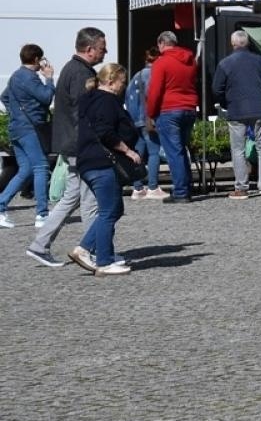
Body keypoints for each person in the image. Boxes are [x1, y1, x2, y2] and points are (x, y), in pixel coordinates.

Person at [28, 27, 107, 268]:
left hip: (71, 142)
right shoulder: (81, 73)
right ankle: (90, 250)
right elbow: (83, 113)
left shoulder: (71, 68)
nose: (106, 52)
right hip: (80, 144)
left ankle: (40, 245)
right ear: (90, 49)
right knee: (90, 199)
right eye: (103, 48)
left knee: (72, 197)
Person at [70, 64, 142, 276]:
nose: (123, 86)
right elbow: (105, 132)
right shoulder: (107, 101)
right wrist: (128, 150)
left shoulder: (89, 99)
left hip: (88, 161)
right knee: (109, 211)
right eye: (122, 82)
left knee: (112, 209)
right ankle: (99, 259)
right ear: (111, 81)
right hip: (102, 162)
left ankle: (95, 252)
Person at [213, 30, 261, 199]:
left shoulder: (225, 63)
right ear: (248, 43)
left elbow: (216, 88)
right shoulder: (260, 61)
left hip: (236, 110)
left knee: (238, 149)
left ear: (232, 44)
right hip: (260, 108)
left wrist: (226, 102)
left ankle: (241, 187)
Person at [0, 44, 54, 228]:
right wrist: (49, 79)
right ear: (37, 59)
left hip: (16, 128)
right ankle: (42, 214)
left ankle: (0, 206)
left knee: (25, 169)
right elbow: (46, 97)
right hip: (29, 129)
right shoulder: (31, 78)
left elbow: (4, 97)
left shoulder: (16, 76)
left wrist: (15, 113)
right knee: (40, 167)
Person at [146, 30, 200, 203]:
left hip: (169, 109)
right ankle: (186, 187)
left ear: (162, 43)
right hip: (189, 107)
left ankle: (181, 191)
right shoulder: (190, 60)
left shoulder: (161, 63)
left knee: (174, 152)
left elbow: (155, 91)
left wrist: (151, 113)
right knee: (181, 150)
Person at [125, 47, 165, 200]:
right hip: (148, 119)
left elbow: (128, 98)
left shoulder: (136, 75)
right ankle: (153, 187)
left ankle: (137, 188)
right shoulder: (152, 74)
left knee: (138, 154)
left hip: (135, 120)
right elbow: (152, 95)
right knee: (154, 153)